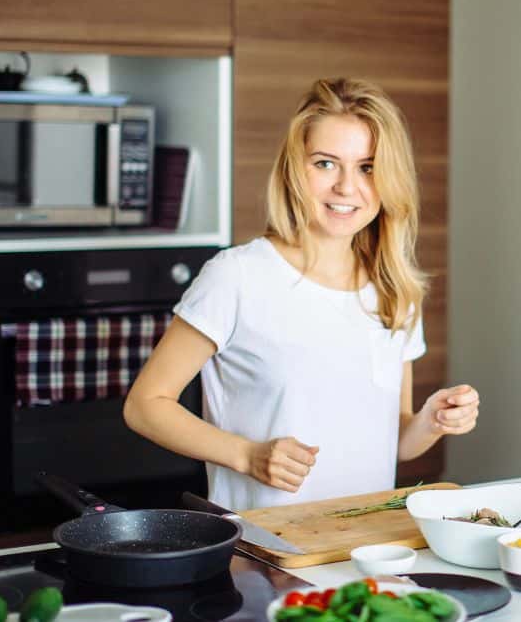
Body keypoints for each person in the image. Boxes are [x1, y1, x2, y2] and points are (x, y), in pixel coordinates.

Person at [123, 78, 480, 510]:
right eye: (326, 164)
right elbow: (145, 405)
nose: (347, 187)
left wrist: (433, 420)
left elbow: (397, 441)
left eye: (367, 167)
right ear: (295, 168)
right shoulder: (237, 276)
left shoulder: (396, 289)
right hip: (265, 557)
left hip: (364, 549)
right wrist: (246, 455)